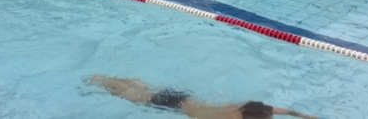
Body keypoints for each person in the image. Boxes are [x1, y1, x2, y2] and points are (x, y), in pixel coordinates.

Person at [87, 75, 318, 119]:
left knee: (143, 89)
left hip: (183, 97)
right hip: (175, 107)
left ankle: (114, 78)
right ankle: (98, 80)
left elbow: (281, 110)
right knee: (132, 97)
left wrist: (304, 116)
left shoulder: (248, 106)